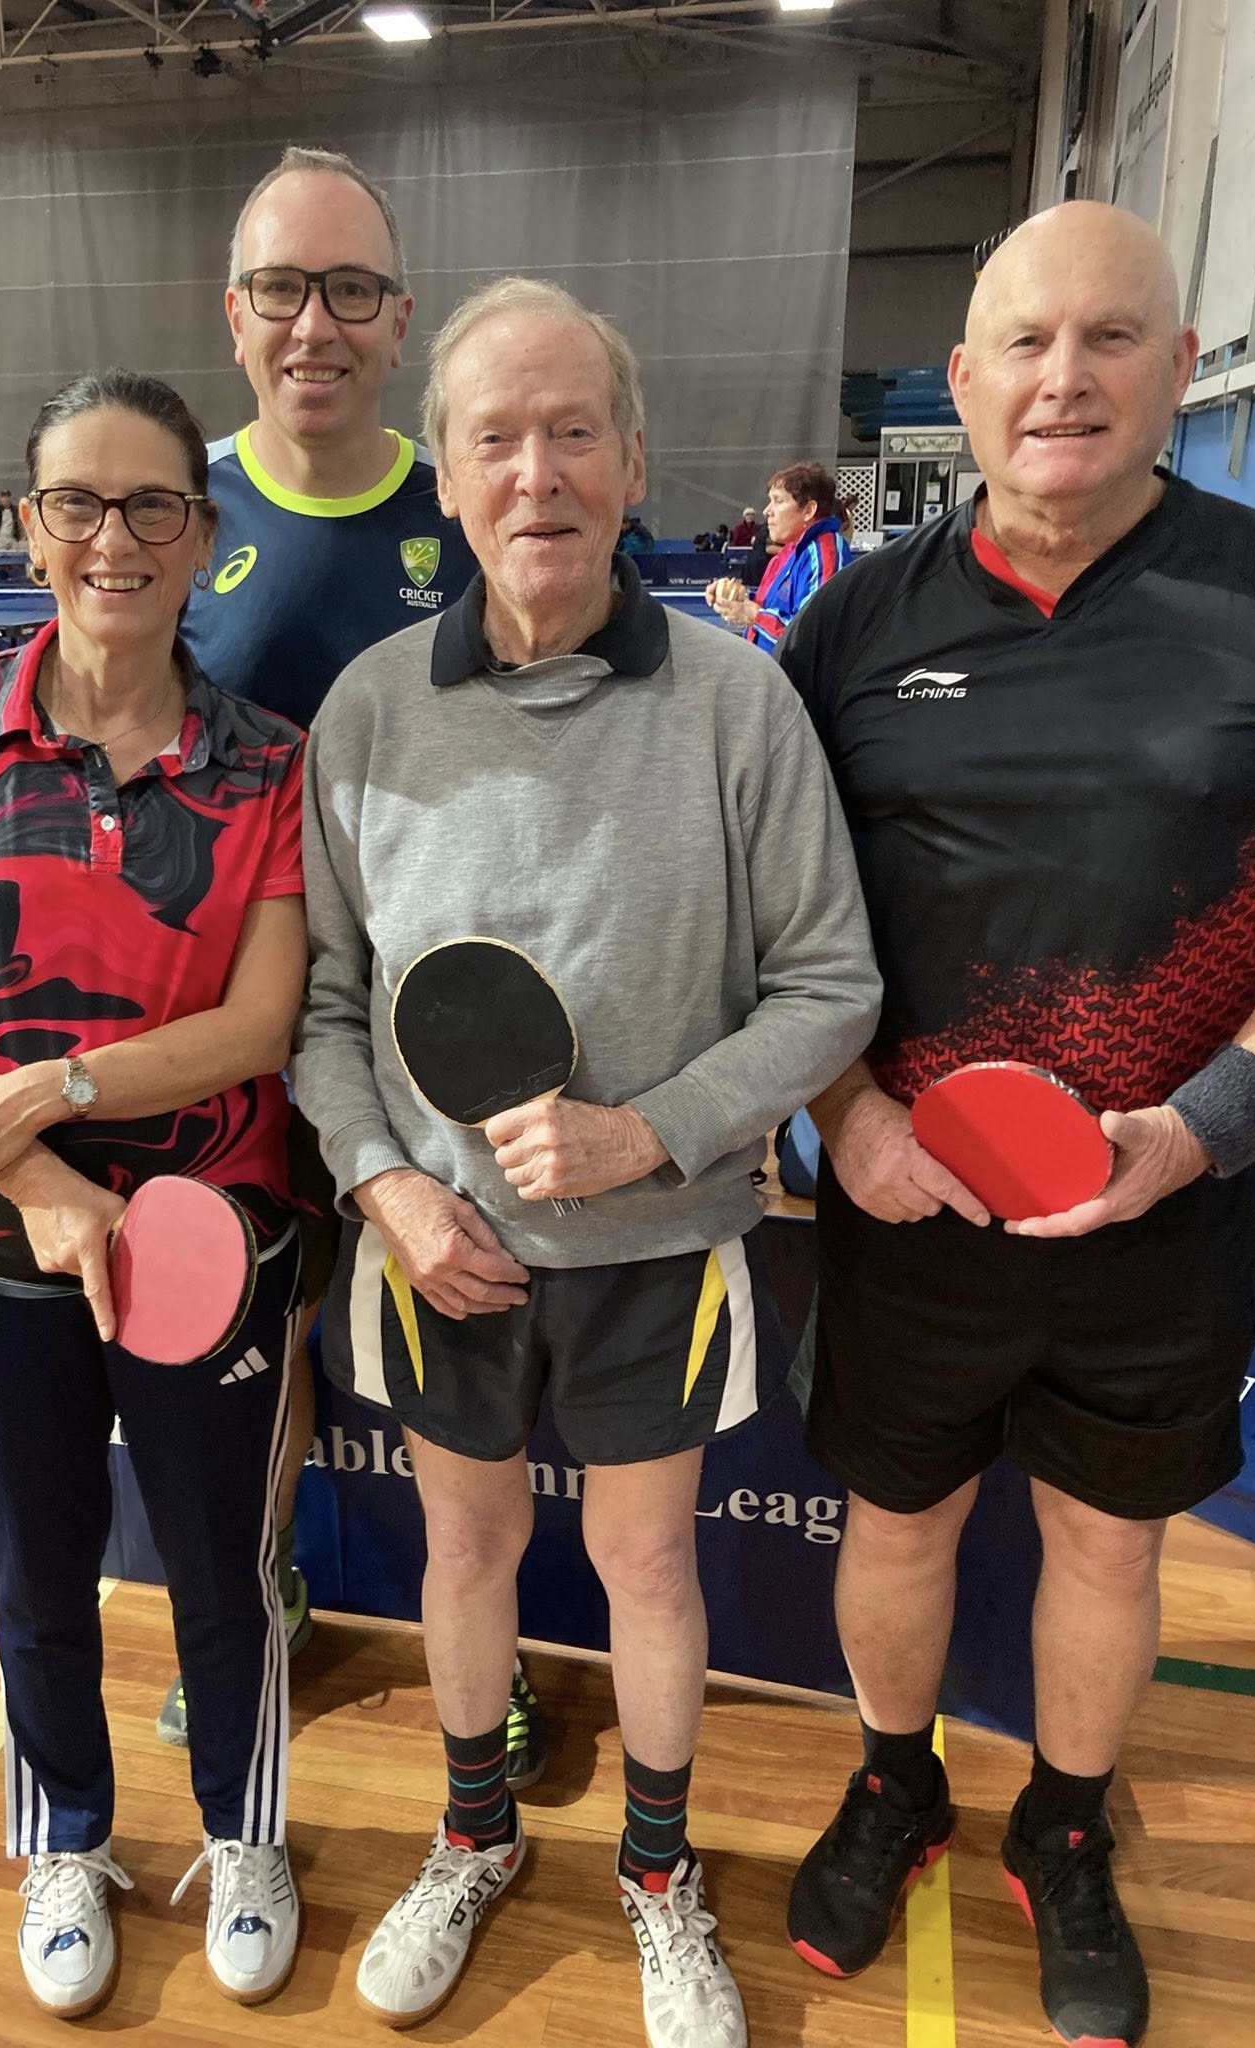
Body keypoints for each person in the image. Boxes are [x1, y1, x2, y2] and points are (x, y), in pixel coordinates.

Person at [293, 276, 881, 2045]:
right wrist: (390, 1186)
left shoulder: (736, 701)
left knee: (645, 1572)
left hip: (660, 1244)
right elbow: (324, 1007)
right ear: (448, 480)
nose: (535, 472)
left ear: (630, 464)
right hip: (438, 1252)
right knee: (462, 1560)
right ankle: (471, 1835)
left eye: (572, 433)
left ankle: (654, 1874)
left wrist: (657, 1127)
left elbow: (832, 981)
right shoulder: (371, 710)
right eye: (495, 438)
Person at [777, 201, 1255, 2048]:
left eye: (1110, 338)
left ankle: (1062, 1820)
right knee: (896, 1530)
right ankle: (895, 1779)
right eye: (1026, 345)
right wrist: (843, 1110)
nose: (1065, 378)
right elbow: (778, 920)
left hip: (1175, 1208)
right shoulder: (848, 629)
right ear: (961, 382)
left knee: (1109, 1548)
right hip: (909, 1207)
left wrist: (1205, 1122)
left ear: (1179, 363)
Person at [0, 368, 310, 2019]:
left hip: (216, 1230)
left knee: (219, 1566)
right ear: (30, 527)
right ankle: (68, 1837)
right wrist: (39, 1176)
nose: (116, 537)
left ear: (202, 533)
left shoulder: (267, 763)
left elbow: (259, 1024)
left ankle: (249, 1833)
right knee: (35, 1568)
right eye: (78, 503)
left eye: (153, 505)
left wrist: (66, 1087)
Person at [165, 145, 563, 1779]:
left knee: (466, 1367)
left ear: (398, 320)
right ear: (234, 310)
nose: (310, 323)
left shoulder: (461, 501)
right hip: (238, 1030)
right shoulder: (170, 508)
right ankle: (256, 1613)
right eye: (279, 287)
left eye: (347, 290)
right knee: (253, 1366)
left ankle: (495, 1657)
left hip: (435, 1037)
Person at [705, 463, 852, 654]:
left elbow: (813, 637)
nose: (767, 511)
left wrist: (752, 614)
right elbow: (772, 610)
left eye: (778, 501)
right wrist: (737, 599)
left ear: (808, 510)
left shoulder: (825, 553)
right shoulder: (788, 553)